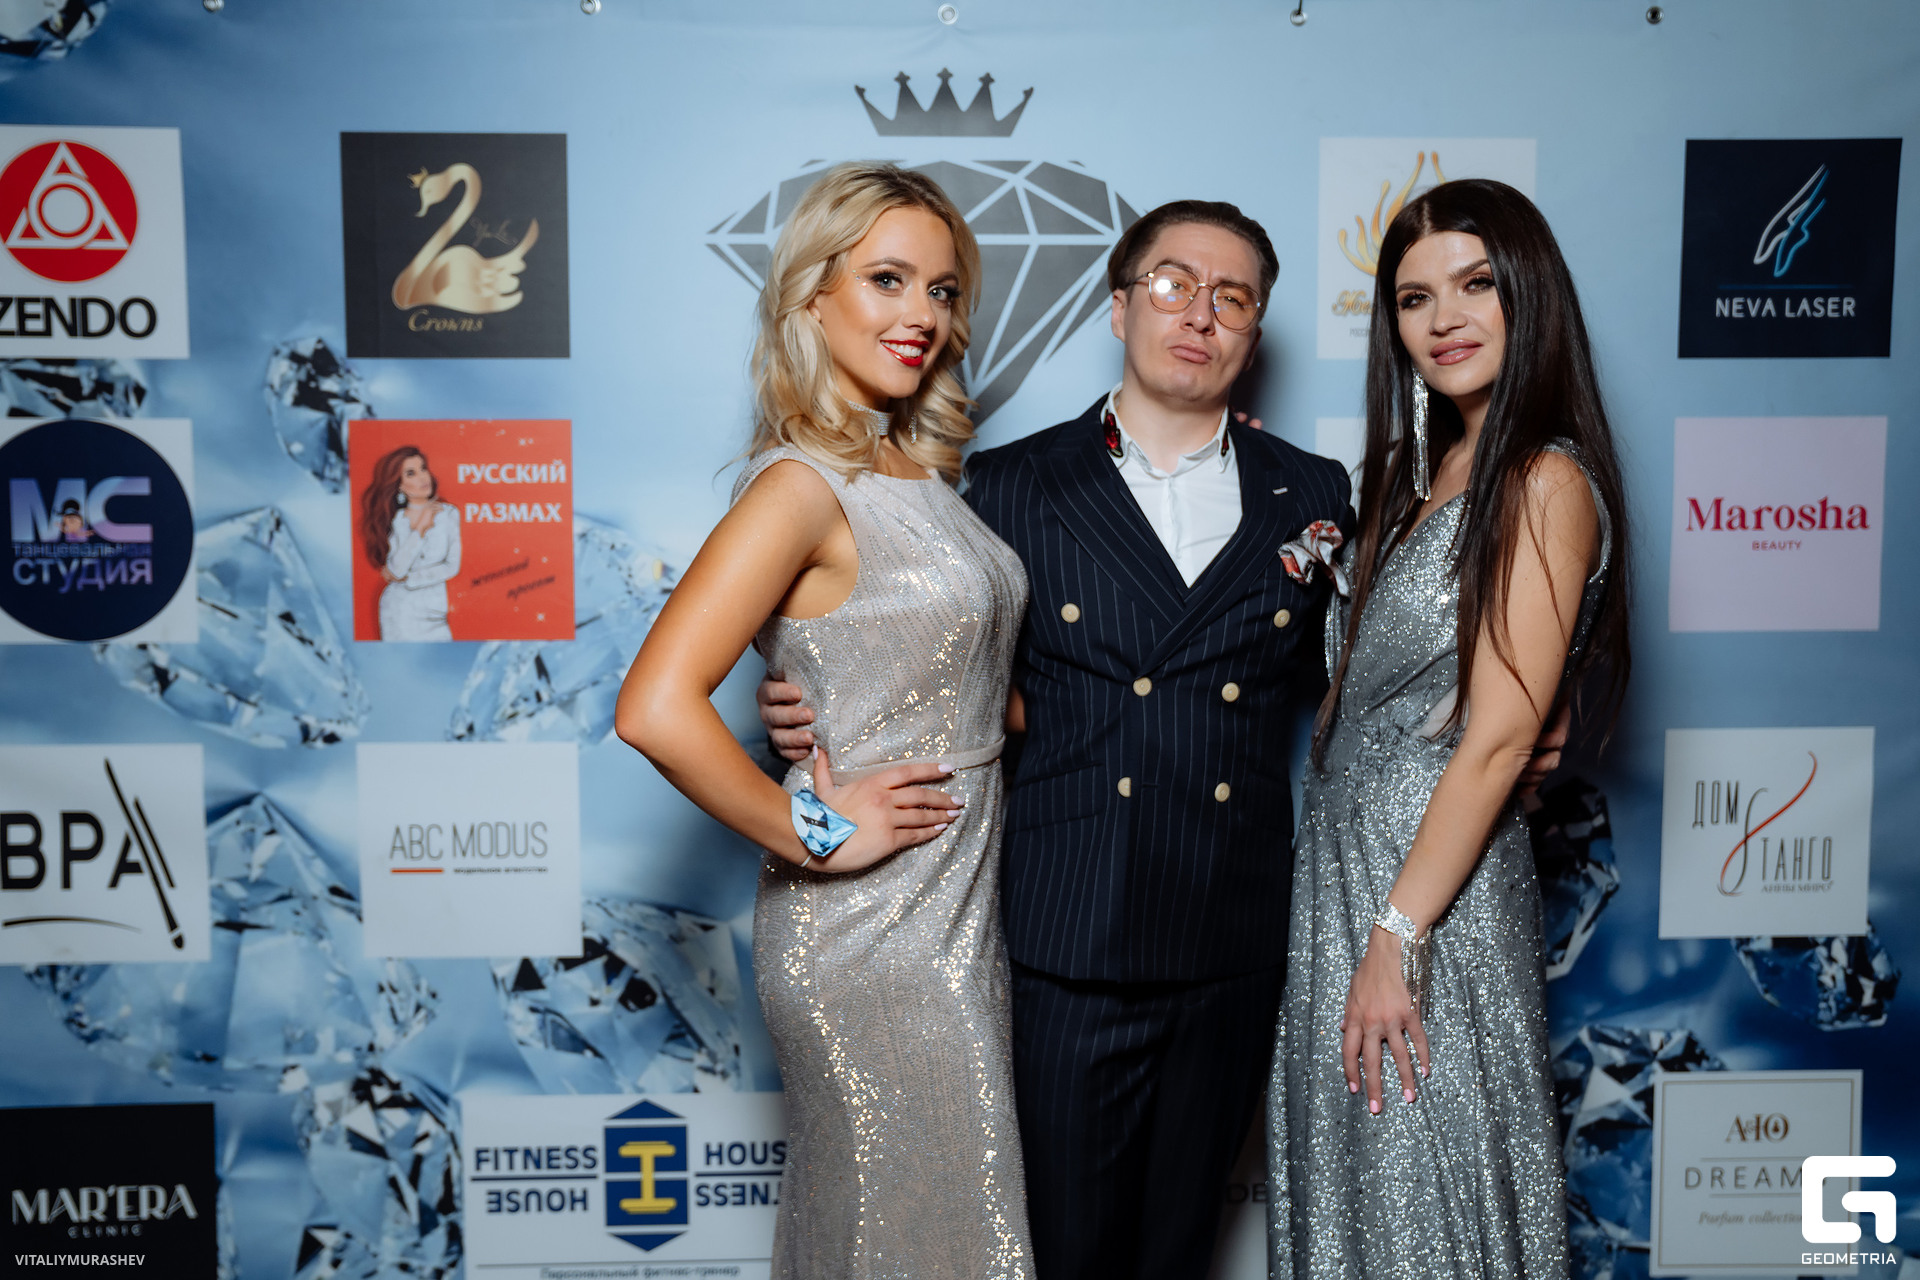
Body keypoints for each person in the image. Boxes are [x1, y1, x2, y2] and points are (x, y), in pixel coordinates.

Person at [766, 200, 1357, 1280]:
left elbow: (1352, 684)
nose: (1200, 313)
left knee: (1178, 1252)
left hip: (1231, 935)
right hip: (1067, 932)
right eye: (1173, 284)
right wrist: (813, 699)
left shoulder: (1313, 492)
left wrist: (1500, 712)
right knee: (1063, 1256)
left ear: (1255, 330)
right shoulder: (1007, 484)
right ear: (1120, 307)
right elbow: (934, 658)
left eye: (1232, 298)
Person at [615, 163, 1035, 1279]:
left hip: (954, 919)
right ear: (811, 295)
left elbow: (960, 680)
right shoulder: (800, 486)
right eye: (887, 279)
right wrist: (811, 830)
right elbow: (653, 707)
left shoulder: (915, 471)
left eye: (942, 290)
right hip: (872, 937)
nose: (921, 314)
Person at [1266, 178, 1631, 1280]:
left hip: (1432, 898)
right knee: (1358, 1190)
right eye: (1415, 298)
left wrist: (1398, 936)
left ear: (1529, 296)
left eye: (1476, 285)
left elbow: (1498, 742)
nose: (1444, 320)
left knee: (1427, 1177)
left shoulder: (1543, 479)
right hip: (1340, 874)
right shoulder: (1404, 479)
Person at [360, 445, 461, 641]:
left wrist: (411, 578)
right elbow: (396, 570)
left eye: (423, 469)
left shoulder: (449, 514)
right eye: (411, 474)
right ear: (399, 486)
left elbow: (452, 566)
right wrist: (420, 529)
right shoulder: (398, 520)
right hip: (400, 610)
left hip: (435, 612)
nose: (423, 477)